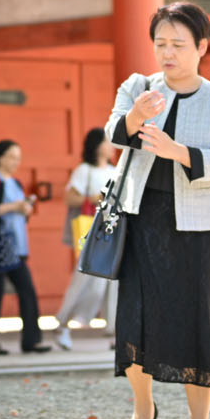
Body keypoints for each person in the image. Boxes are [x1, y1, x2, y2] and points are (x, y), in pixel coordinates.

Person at [107, 1, 210, 419]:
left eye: (178, 45)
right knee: (134, 321)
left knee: (198, 327)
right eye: (160, 44)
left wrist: (177, 151)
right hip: (142, 221)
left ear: (202, 47)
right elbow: (113, 132)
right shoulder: (138, 87)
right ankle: (143, 409)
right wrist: (134, 117)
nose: (167, 53)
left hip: (198, 230)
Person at [0, 140, 50, 355]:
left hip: (16, 247)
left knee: (27, 291)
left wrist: (24, 209)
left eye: (18, 158)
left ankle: (31, 341)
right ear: (0, 157)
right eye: (12, 157)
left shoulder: (16, 183)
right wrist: (15, 206)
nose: (17, 162)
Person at [53, 127, 118, 350]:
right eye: (107, 141)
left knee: (112, 281)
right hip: (91, 231)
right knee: (86, 280)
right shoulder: (85, 170)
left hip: (112, 231)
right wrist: (95, 197)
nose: (111, 146)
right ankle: (64, 323)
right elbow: (70, 198)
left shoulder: (115, 170)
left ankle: (114, 332)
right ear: (97, 145)